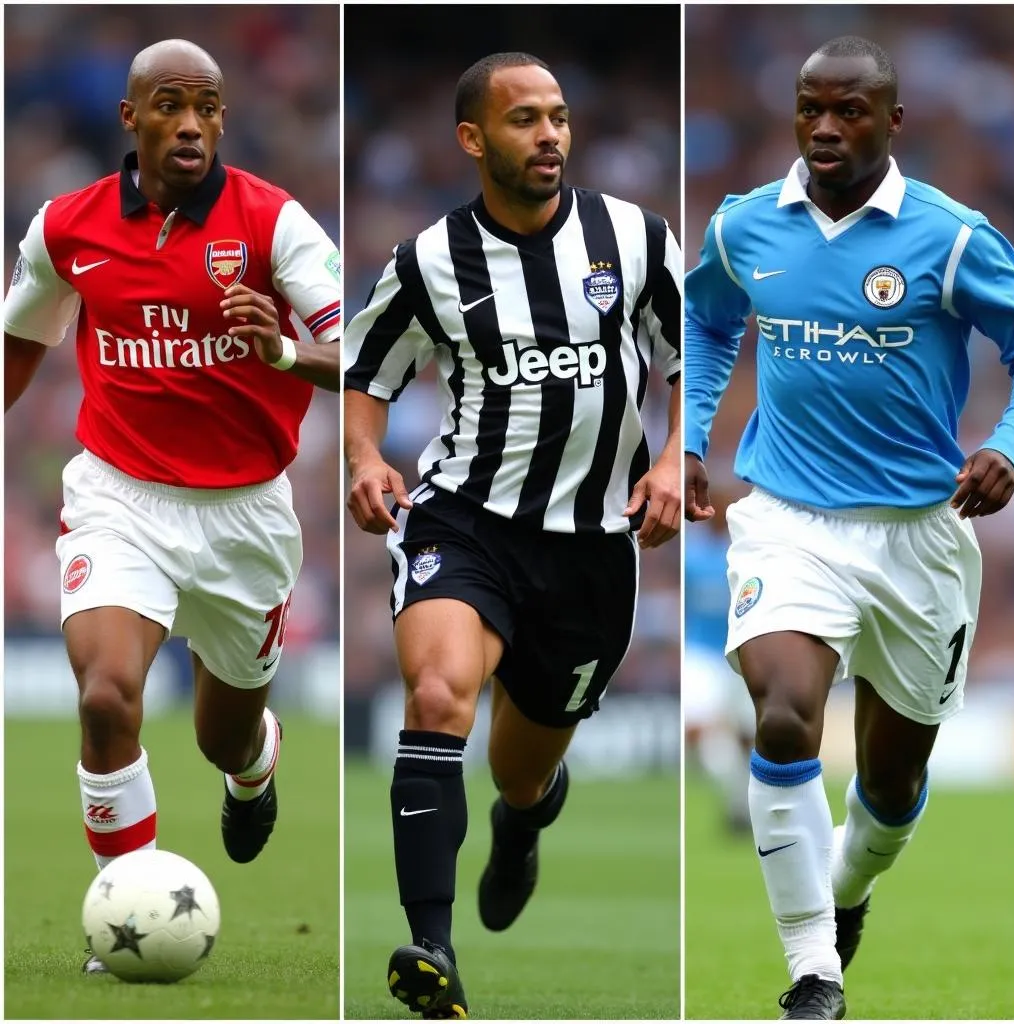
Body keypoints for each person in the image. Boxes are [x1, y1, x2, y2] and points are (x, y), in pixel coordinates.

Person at [684, 35, 1014, 1021]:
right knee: (784, 710)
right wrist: (689, 441)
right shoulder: (747, 226)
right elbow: (706, 322)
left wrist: (1007, 442)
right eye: (810, 109)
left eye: (850, 111)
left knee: (890, 776)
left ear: (891, 121)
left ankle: (846, 889)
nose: (826, 127)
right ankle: (811, 971)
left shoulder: (949, 237)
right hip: (787, 518)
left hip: (919, 535)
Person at [344, 51, 680, 1019]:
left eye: (560, 117)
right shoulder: (428, 262)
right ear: (471, 139)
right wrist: (363, 459)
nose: (550, 136)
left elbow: (692, 349)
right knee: (439, 694)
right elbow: (368, 369)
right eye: (526, 119)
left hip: (590, 548)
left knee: (520, 770)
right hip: (467, 518)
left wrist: (671, 461)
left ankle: (524, 822)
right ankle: (431, 948)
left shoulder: (631, 238)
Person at [3, 39, 341, 974]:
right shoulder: (67, 228)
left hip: (245, 517)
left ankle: (254, 762)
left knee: (220, 733)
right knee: (108, 696)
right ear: (131, 118)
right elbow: (20, 340)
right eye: (169, 105)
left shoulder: (275, 224)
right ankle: (132, 906)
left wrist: (282, 351)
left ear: (223, 119)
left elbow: (360, 356)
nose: (190, 123)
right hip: (119, 498)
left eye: (207, 107)